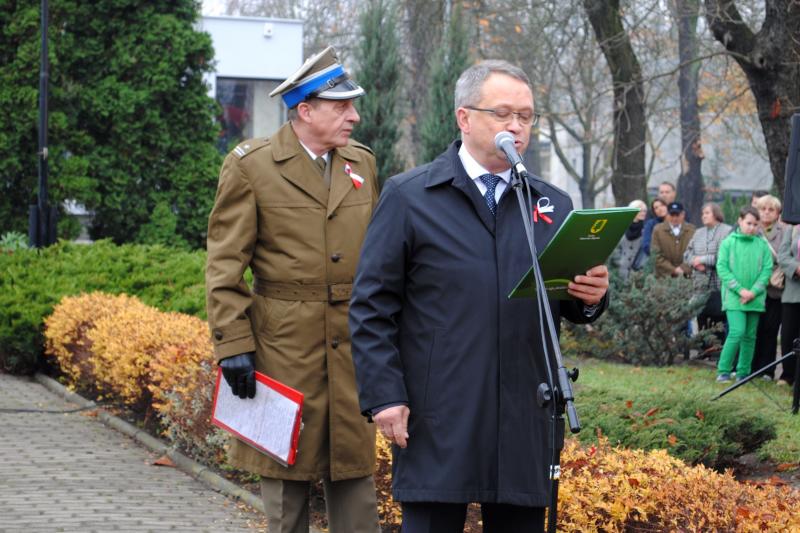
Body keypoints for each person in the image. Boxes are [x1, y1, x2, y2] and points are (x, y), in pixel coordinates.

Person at [349, 60, 609, 533]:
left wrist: (590, 297)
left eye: (526, 116)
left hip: (524, 410)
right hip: (438, 411)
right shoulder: (410, 196)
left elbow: (565, 300)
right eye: (503, 113)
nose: (517, 126)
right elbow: (371, 308)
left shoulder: (551, 204)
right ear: (464, 118)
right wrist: (384, 395)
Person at [205, 47, 381, 533]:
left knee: (356, 480)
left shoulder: (362, 163)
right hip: (283, 347)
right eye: (341, 107)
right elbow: (225, 264)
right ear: (305, 110)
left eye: (352, 106)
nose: (354, 116)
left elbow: (381, 257)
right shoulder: (252, 166)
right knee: (286, 488)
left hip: (352, 346)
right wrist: (233, 344)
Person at [715, 207, 773, 383]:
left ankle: (743, 373)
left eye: (755, 224)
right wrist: (741, 290)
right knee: (737, 331)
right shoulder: (728, 243)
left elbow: (767, 270)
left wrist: (753, 292)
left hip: (755, 297)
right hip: (734, 297)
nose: (752, 227)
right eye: (748, 223)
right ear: (739, 221)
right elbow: (722, 268)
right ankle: (724, 370)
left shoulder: (762, 245)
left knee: (749, 335)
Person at [684, 203, 732, 352]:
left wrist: (703, 260)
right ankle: (704, 349)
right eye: (703, 213)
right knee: (702, 315)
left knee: (718, 317)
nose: (703, 216)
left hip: (719, 283)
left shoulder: (727, 231)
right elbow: (687, 254)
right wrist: (694, 262)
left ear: (716, 214)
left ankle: (718, 349)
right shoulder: (698, 232)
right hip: (700, 284)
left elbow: (725, 256)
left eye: (707, 213)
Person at [752, 195, 786, 380]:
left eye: (771, 209)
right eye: (763, 209)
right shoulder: (751, 229)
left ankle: (767, 370)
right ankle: (750, 367)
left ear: (777, 213)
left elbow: (784, 257)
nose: (766, 212)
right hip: (754, 288)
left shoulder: (784, 231)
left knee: (770, 330)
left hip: (774, 289)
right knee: (753, 329)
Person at [778, 223, 800, 387]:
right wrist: (797, 268)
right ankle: (788, 375)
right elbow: (783, 256)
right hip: (792, 292)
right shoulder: (792, 229)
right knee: (788, 336)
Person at [651, 201, 696, 278]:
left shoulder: (692, 230)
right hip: (664, 277)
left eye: (677, 215)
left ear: (683, 214)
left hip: (687, 276)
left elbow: (695, 253)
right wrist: (673, 270)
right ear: (667, 214)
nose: (674, 218)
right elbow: (656, 254)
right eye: (672, 215)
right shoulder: (657, 230)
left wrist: (683, 268)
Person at [613, 199, 648, 279]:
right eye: (640, 210)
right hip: (620, 272)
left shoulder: (646, 229)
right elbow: (615, 248)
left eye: (644, 211)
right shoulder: (622, 227)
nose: (643, 213)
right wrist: (619, 262)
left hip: (638, 273)